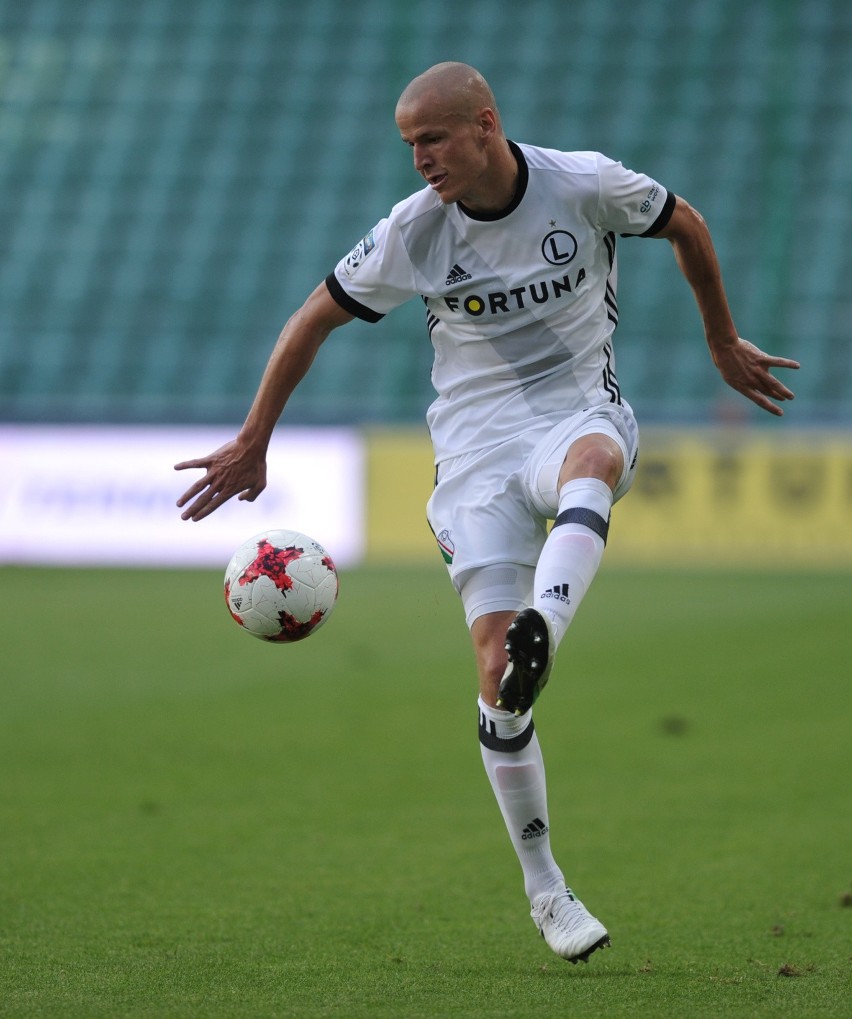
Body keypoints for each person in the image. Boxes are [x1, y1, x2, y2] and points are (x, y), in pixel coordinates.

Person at [175, 62, 799, 964]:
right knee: (500, 684)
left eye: (431, 139)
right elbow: (313, 316)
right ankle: (546, 888)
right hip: (474, 458)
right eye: (408, 146)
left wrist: (718, 339)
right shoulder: (414, 233)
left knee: (594, 461)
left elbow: (685, 223)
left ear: (483, 124)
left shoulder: (581, 183)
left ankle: (548, 618)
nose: (420, 159)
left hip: (576, 409)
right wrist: (253, 437)